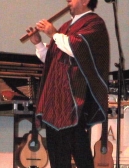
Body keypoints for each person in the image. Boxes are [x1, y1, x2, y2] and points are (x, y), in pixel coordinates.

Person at [28, 0, 109, 167]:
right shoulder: (65, 26)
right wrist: (38, 43)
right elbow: (53, 58)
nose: (68, 1)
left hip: (74, 98)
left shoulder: (94, 23)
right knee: (57, 153)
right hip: (55, 100)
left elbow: (77, 49)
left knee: (79, 150)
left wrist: (53, 33)